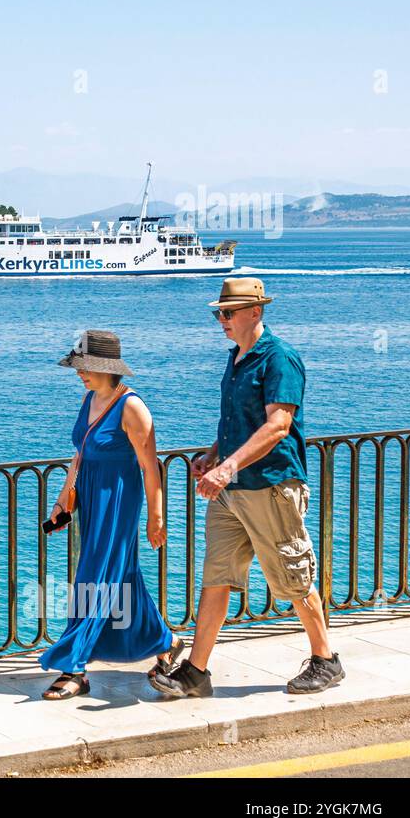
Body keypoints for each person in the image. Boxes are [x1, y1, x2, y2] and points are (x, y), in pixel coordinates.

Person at [151, 277, 342, 698]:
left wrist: (227, 467)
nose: (221, 320)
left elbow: (278, 425)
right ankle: (196, 672)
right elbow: (242, 422)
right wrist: (213, 455)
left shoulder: (279, 359)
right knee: (217, 577)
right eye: (219, 313)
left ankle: (326, 660)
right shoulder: (237, 359)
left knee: (292, 575)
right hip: (231, 489)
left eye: (228, 312)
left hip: (270, 486)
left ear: (255, 311)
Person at [40, 330, 183, 699]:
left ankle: (74, 667)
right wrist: (62, 504)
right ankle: (165, 641)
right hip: (91, 496)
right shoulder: (89, 398)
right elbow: (80, 456)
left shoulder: (132, 406)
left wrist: (156, 517)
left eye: (84, 367)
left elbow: (150, 468)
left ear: (106, 368)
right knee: (121, 577)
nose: (78, 373)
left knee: (94, 576)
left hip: (119, 500)